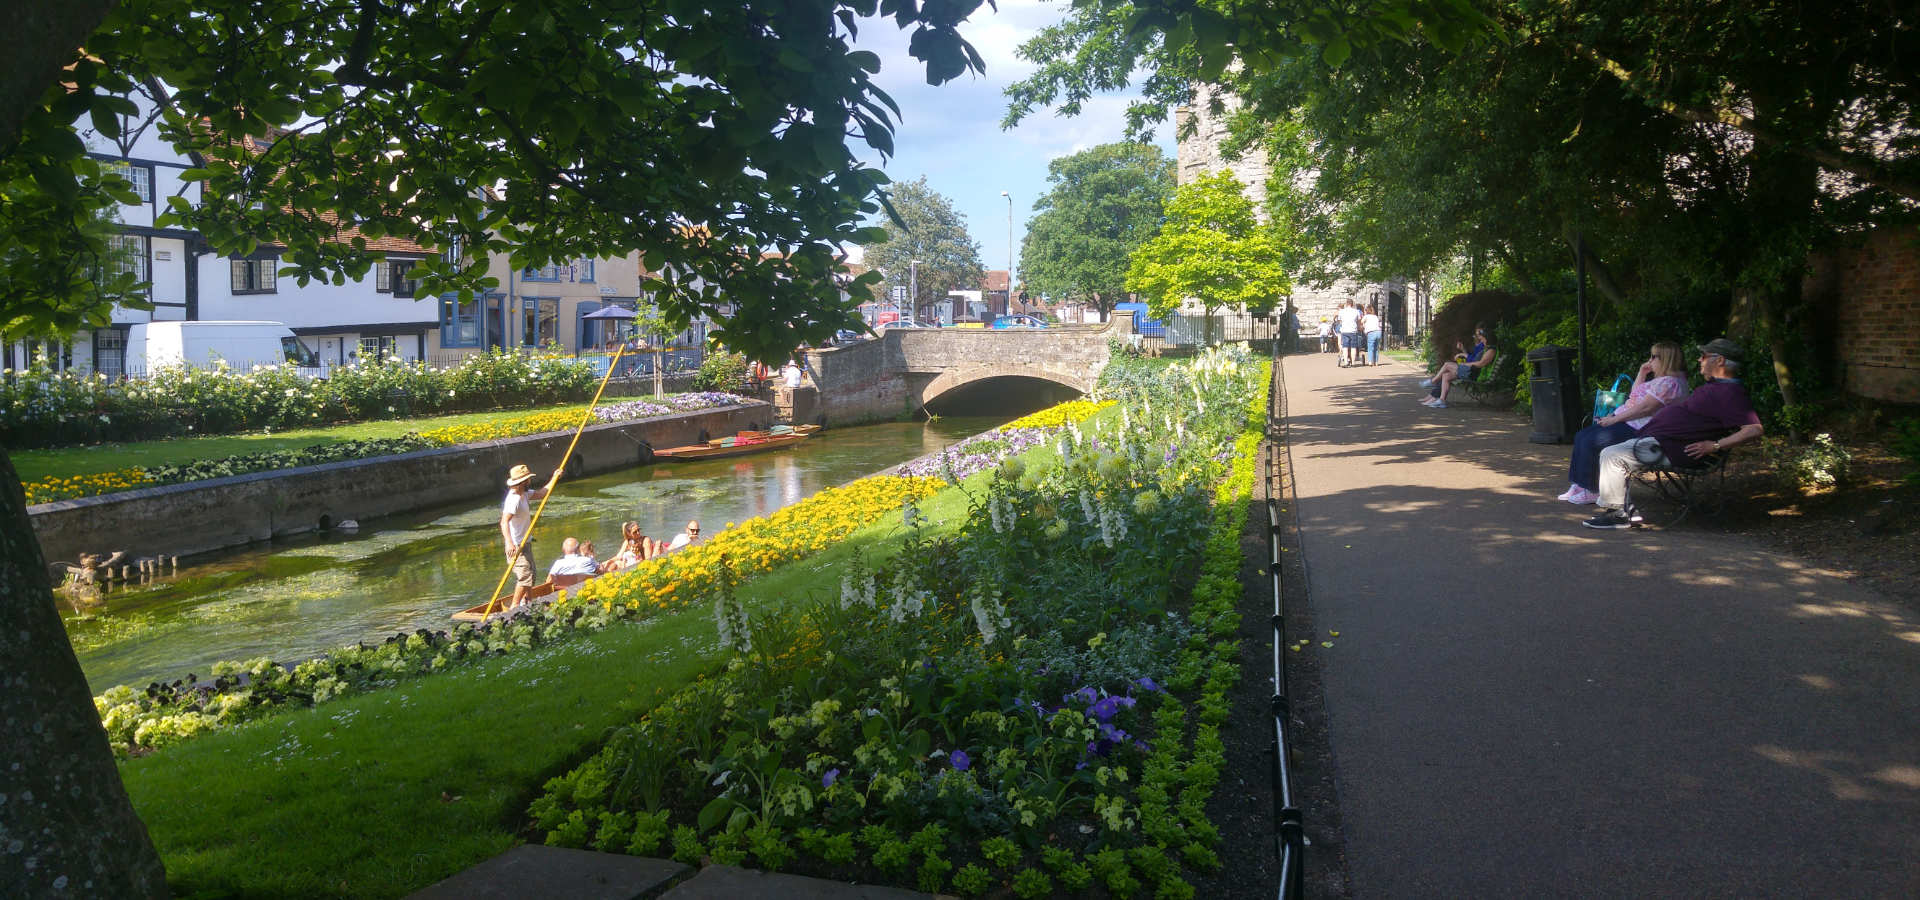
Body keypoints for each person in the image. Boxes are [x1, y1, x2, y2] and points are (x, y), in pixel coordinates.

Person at [1583, 338, 1763, 529]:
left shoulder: (1731, 392)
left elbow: (1754, 429)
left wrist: (1715, 446)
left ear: (1720, 361)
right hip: (1662, 442)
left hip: (1672, 448)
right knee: (1609, 449)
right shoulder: (1717, 388)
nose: (1699, 360)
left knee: (1612, 455)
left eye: (1704, 356)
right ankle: (1626, 510)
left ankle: (1618, 515)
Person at [1558, 342, 1691, 505]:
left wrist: (1614, 419)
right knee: (1581, 436)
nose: (1650, 360)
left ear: (1666, 359)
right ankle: (1580, 484)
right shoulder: (1662, 380)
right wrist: (1642, 373)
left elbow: (1645, 409)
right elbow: (1635, 395)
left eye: (1653, 356)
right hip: (1629, 420)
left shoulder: (1671, 383)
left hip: (1640, 428)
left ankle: (1592, 489)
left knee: (1591, 441)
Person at [500, 463, 560, 607]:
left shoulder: (524, 493)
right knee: (525, 576)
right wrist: (509, 543)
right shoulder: (513, 499)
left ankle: (528, 601)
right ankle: (514, 608)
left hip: (525, 543)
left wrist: (555, 477)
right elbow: (504, 522)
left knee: (531, 574)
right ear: (522, 482)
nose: (530, 481)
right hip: (516, 546)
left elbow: (542, 493)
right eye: (528, 479)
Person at [1420, 325, 1494, 409]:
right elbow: (1474, 359)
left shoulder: (1490, 350)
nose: (1479, 338)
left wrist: (1465, 364)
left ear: (1486, 337)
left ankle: (1433, 381)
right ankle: (1441, 401)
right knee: (1446, 376)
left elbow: (1481, 364)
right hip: (1471, 370)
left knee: (1447, 364)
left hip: (1473, 373)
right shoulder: (1486, 348)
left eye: (1481, 336)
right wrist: (1463, 352)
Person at [1335, 300, 1362, 367]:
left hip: (1345, 331)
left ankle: (1346, 362)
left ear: (1346, 304)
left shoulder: (1342, 311)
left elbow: (1340, 321)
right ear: (1352, 304)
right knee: (1353, 347)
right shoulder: (1356, 311)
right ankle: (1353, 363)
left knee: (1345, 347)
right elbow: (1359, 321)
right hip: (1353, 330)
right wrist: (1359, 328)